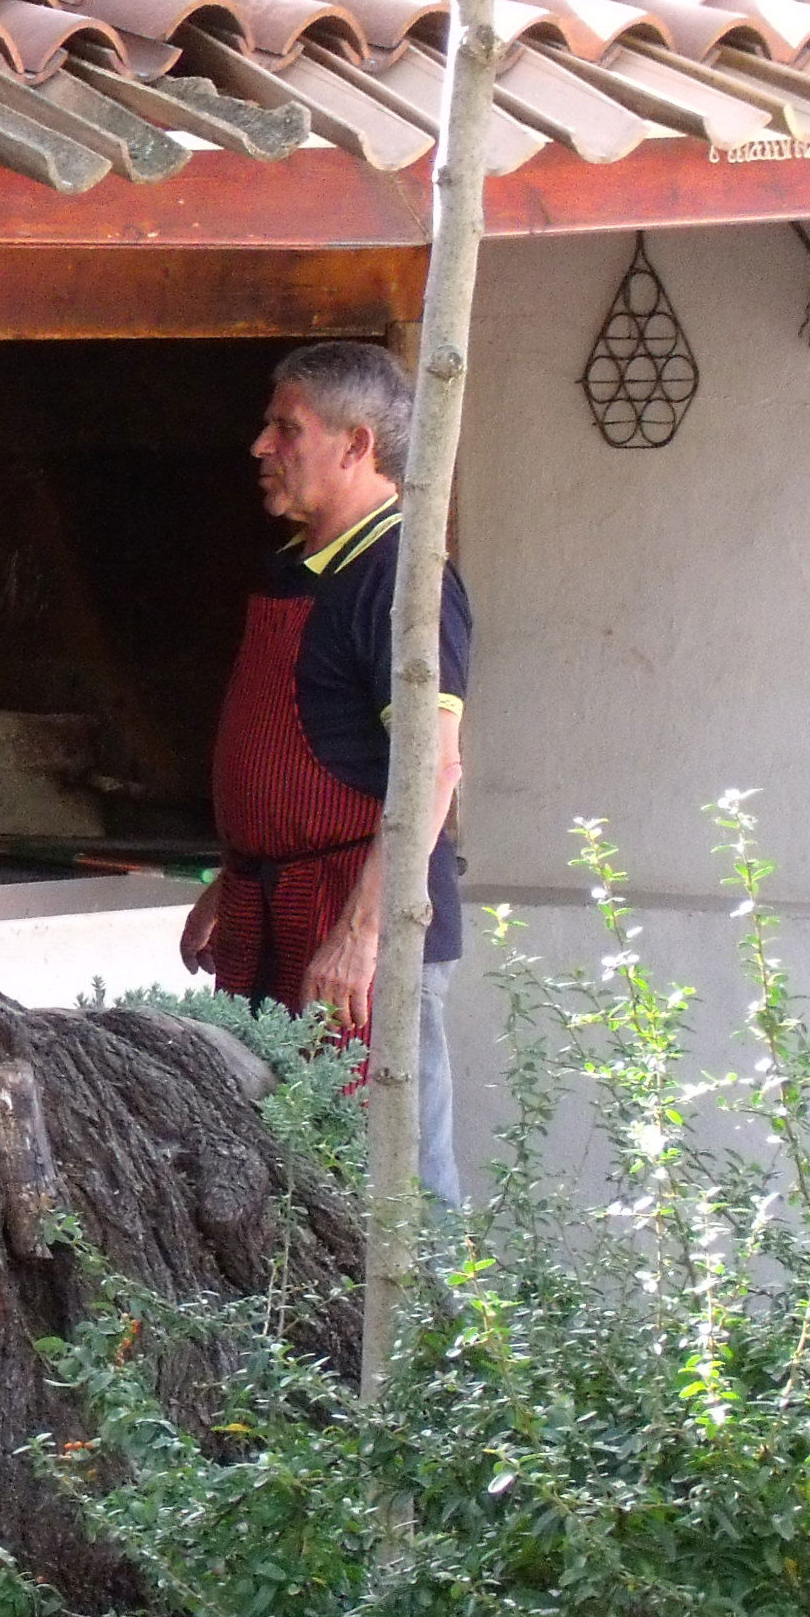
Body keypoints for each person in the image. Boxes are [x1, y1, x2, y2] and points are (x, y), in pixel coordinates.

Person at [181, 341, 471, 1209]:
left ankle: (437, 1346)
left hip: (365, 929)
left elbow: (433, 770)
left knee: (397, 1181)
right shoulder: (300, 567)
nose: (260, 447)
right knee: (299, 1178)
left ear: (355, 446)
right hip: (284, 908)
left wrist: (362, 937)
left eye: (286, 427)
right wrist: (232, 880)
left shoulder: (405, 581)